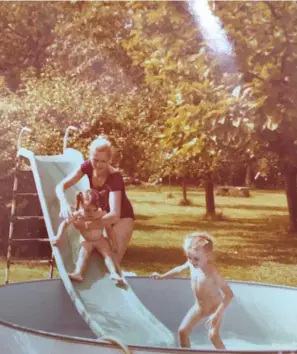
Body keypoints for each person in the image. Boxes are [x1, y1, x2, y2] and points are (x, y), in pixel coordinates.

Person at [56, 135, 135, 265]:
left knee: (112, 261)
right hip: (102, 215)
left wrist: (88, 225)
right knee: (93, 256)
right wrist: (63, 202)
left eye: (103, 161)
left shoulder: (115, 177)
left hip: (122, 218)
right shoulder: (87, 167)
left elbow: (115, 215)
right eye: (95, 160)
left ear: (109, 160)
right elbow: (60, 186)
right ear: (90, 157)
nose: (98, 165)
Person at [151, 231, 234, 349]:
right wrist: (162, 276)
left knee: (213, 336)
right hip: (199, 307)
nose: (192, 262)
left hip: (215, 308)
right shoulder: (191, 264)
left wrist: (217, 315)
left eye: (196, 259)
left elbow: (229, 294)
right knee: (182, 331)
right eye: (189, 257)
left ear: (208, 256)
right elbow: (179, 270)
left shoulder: (212, 272)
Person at [52, 189, 126, 286]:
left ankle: (114, 273)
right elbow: (64, 224)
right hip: (87, 241)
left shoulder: (101, 214)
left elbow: (109, 229)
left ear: (97, 206)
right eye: (87, 210)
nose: (91, 213)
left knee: (108, 254)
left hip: (100, 239)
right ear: (82, 205)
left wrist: (114, 243)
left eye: (94, 209)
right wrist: (58, 236)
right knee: (83, 255)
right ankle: (78, 273)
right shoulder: (79, 214)